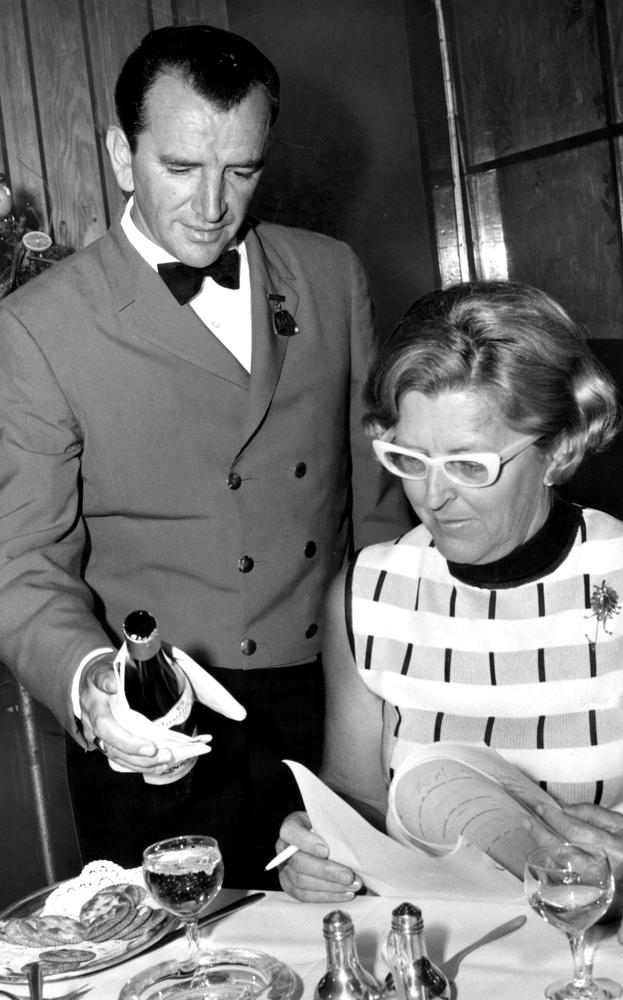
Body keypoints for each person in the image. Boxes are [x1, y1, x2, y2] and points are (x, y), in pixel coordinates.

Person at [0, 24, 409, 887]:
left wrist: (394, 678)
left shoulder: (332, 276)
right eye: (180, 168)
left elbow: (378, 507)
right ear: (121, 154)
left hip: (336, 707)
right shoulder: (38, 327)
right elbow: (22, 562)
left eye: (243, 170)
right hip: (157, 727)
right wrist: (94, 687)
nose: (213, 205)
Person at [276, 280, 623, 912]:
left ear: (559, 448)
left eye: (469, 465)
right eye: (409, 459)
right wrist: (318, 851)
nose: (433, 496)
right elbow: (355, 804)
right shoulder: (368, 595)